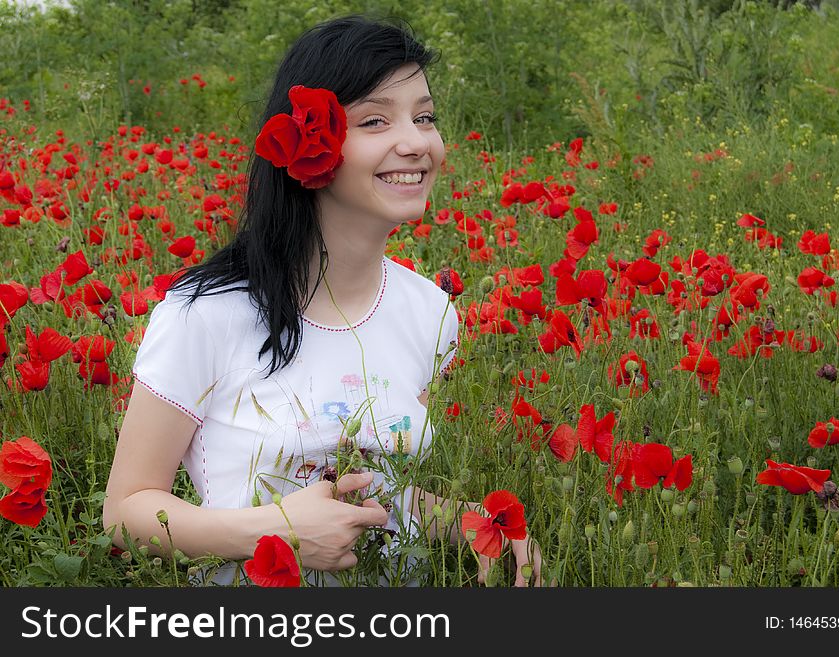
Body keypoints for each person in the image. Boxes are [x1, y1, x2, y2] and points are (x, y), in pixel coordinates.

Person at [103, 14, 541, 587]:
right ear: (312, 143)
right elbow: (126, 510)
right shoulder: (207, 314)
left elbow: (381, 492)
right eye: (377, 120)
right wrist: (277, 530)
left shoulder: (430, 313)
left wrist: (472, 525)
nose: (415, 143)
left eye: (425, 117)